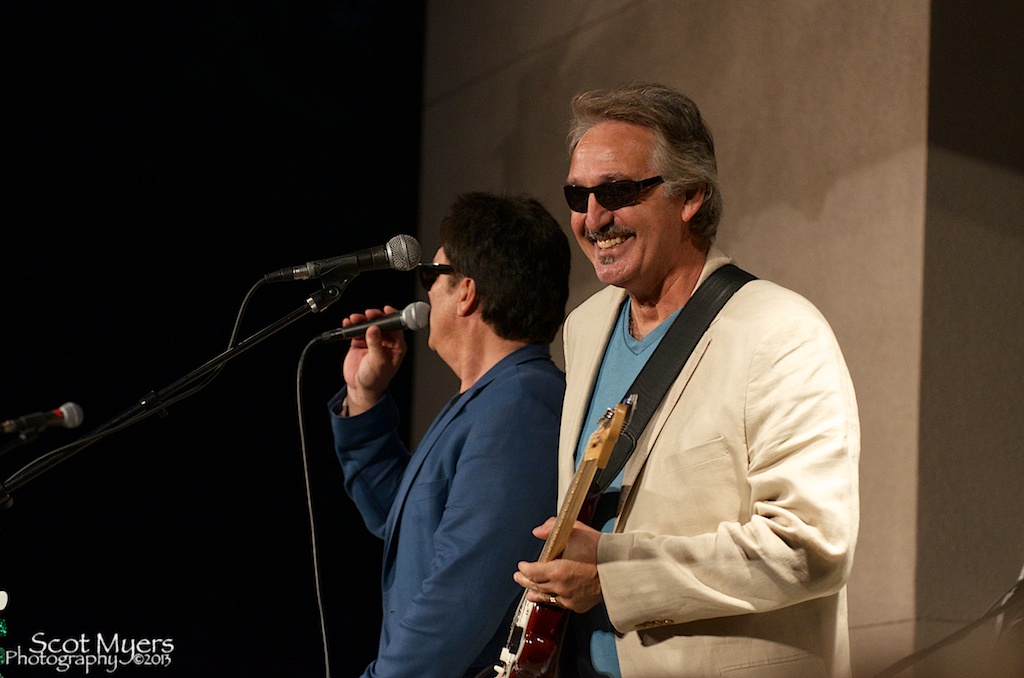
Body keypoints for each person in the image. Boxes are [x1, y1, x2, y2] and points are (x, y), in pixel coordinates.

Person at [513, 82, 861, 678]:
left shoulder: (780, 331)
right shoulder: (585, 328)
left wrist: (615, 575)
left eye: (617, 192)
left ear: (691, 195)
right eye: (578, 194)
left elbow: (811, 546)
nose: (593, 218)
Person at [329, 191, 572, 678]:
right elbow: (404, 521)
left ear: (466, 292)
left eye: (430, 275)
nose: (424, 294)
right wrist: (364, 396)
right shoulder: (488, 402)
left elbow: (459, 599)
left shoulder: (520, 408)